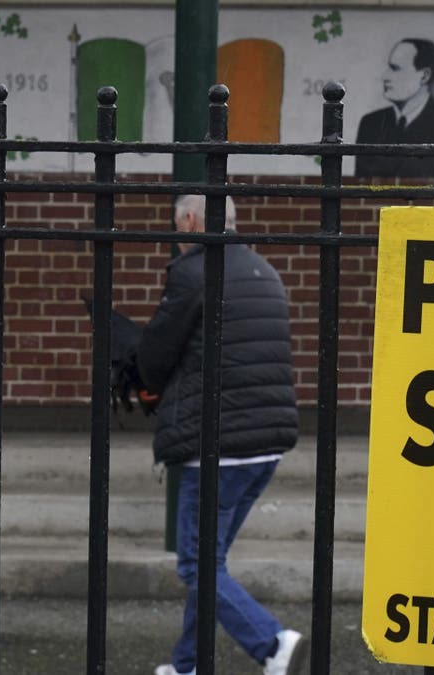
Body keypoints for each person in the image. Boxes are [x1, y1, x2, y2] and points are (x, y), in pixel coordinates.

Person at [138, 195, 306, 675]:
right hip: (265, 446)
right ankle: (187, 665)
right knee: (211, 565)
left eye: (177, 226)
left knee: (197, 566)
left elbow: (154, 358)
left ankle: (274, 645)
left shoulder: (193, 272)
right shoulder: (266, 271)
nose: (178, 235)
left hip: (216, 444)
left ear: (190, 220)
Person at [354, 38, 434, 179]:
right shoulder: (370, 123)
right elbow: (361, 187)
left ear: (424, 76)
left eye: (395, 68)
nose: (384, 76)